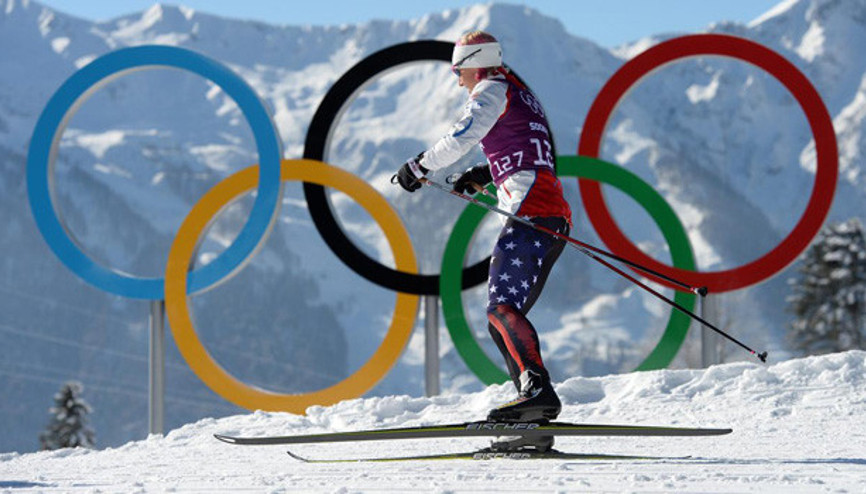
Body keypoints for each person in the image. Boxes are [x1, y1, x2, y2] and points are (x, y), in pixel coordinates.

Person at [395, 31, 572, 429]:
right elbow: (526, 148)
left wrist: (419, 166)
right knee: (504, 320)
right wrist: (485, 172)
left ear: (474, 65)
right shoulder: (520, 94)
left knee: (501, 308)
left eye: (458, 70)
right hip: (550, 213)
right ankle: (530, 404)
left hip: (531, 212)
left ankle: (537, 393)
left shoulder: (491, 89)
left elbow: (463, 135)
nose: (457, 79)